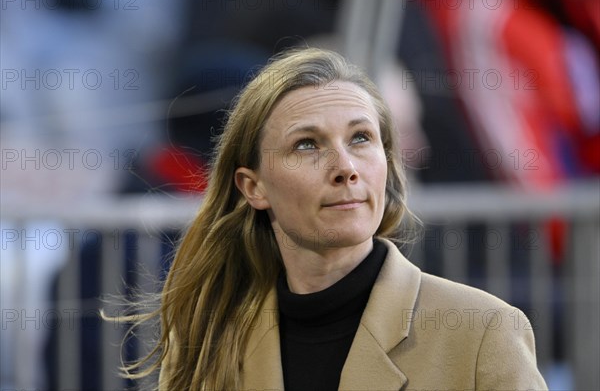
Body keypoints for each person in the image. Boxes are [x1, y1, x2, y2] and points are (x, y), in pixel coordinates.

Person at [124, 48, 547, 390]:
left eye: (361, 138)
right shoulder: (211, 338)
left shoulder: (483, 331)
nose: (345, 166)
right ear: (253, 187)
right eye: (307, 145)